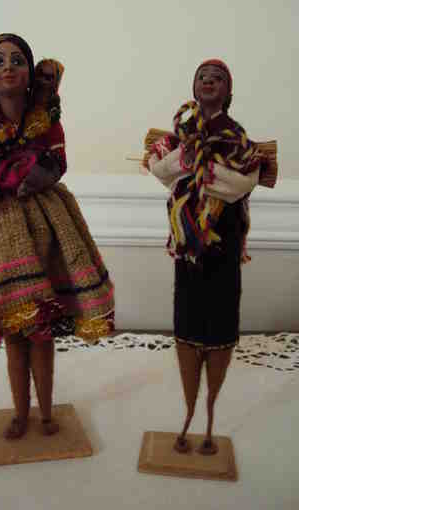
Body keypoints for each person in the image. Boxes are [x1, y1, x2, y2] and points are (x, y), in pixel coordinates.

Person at [0, 34, 115, 439]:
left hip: (46, 219)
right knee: (15, 332)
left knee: (42, 331)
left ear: (30, 71)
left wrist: (34, 177)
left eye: (16, 60)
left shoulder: (47, 118)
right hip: (3, 222)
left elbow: (58, 160)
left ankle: (45, 413)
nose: (7, 67)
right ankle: (20, 413)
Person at [145, 59, 264, 455]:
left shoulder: (237, 137)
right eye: (202, 77)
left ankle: (210, 418)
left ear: (229, 92)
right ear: (194, 88)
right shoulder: (181, 134)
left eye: (217, 79)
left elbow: (243, 183)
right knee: (187, 319)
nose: (209, 82)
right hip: (187, 246)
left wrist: (200, 169)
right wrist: (190, 161)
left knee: (221, 323)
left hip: (223, 243)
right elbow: (161, 170)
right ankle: (188, 413)